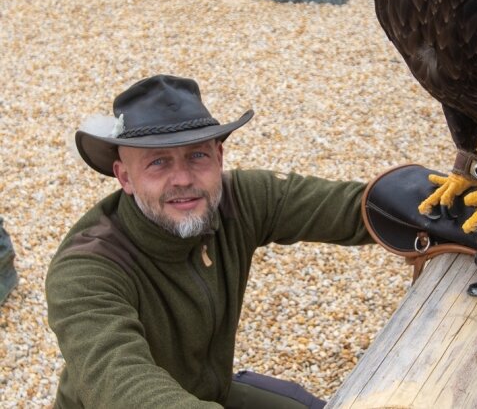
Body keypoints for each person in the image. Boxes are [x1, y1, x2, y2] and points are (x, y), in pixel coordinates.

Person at [45, 74, 373, 408]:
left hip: (207, 393)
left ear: (219, 157)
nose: (183, 179)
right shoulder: (85, 269)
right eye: (158, 162)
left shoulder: (238, 200)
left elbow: (354, 208)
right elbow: (120, 384)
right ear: (125, 177)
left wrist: (411, 200)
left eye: (197, 156)